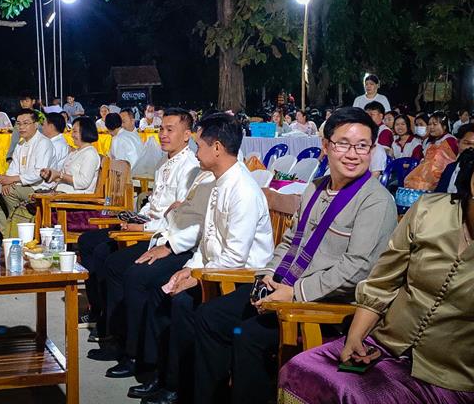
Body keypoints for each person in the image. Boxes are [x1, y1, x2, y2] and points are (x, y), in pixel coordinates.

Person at [194, 106, 398, 404]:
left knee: (246, 334)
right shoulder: (315, 188)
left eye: (362, 146)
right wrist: (267, 275)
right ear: (326, 146)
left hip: (324, 304)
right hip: (282, 285)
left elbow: (357, 269)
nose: (352, 154)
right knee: (210, 316)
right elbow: (291, 240)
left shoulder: (375, 201)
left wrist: (295, 293)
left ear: (372, 149)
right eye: (343, 144)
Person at [278, 148, 474, 403]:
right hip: (385, 345)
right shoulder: (429, 212)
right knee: (300, 369)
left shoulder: (376, 199)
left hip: (452, 374)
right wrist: (355, 338)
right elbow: (383, 282)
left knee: (355, 395)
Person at [137, 113, 275, 404]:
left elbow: (236, 257)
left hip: (242, 280)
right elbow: (207, 242)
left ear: (217, 148)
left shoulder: (243, 190)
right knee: (169, 291)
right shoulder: (219, 180)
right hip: (217, 271)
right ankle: (170, 379)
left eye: (199, 145)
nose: (195, 152)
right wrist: (189, 270)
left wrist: (197, 277)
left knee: (188, 307)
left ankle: (190, 390)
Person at [83, 109, 200, 370]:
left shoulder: (190, 167)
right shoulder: (164, 162)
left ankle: (131, 350)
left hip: (168, 238)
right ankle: (113, 334)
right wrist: (137, 218)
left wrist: (146, 227)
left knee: (120, 267)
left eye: (170, 130)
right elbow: (156, 204)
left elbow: (177, 218)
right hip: (152, 230)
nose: (164, 134)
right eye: (161, 129)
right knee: (101, 252)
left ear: (187, 135)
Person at [0, 109, 55, 235]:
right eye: (18, 124)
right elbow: (13, 167)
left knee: (9, 193)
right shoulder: (20, 144)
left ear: (35, 125)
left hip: (40, 187)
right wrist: (6, 181)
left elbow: (39, 173)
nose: (21, 127)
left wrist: (11, 180)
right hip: (23, 185)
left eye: (26, 123)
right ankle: (8, 234)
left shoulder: (43, 143)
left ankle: (22, 232)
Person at [40, 116, 101, 194]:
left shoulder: (90, 154)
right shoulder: (76, 152)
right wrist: (51, 175)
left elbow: (83, 182)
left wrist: (60, 175)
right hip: (61, 193)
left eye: (75, 131)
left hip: (74, 198)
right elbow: (64, 176)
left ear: (85, 132)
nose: (72, 135)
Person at [435, 123, 474, 193]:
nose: (472, 148)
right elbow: (439, 194)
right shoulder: (451, 168)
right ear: (457, 143)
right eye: (467, 143)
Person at [6, 93, 44, 161]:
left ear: (33, 101)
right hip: (24, 149)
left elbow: (44, 133)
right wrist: (10, 155)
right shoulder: (19, 116)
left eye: (26, 101)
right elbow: (15, 136)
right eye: (22, 101)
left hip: (38, 149)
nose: (24, 103)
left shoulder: (39, 116)